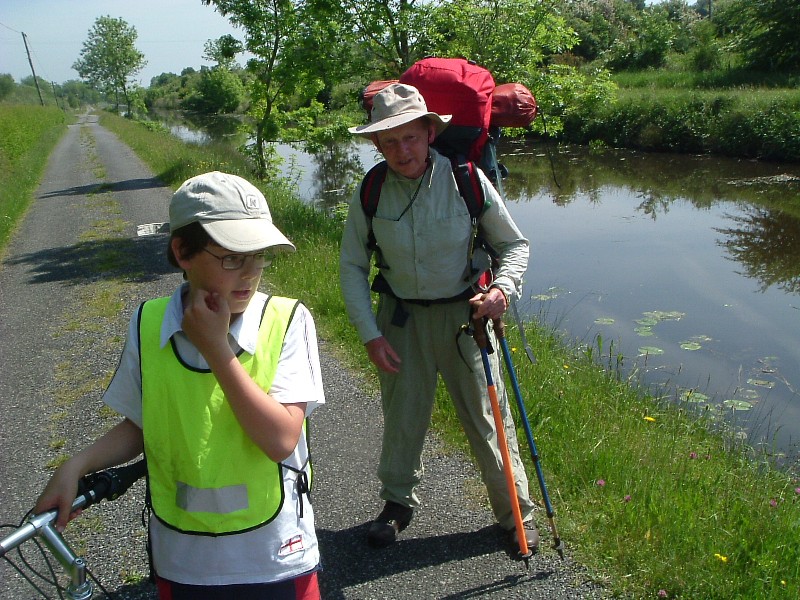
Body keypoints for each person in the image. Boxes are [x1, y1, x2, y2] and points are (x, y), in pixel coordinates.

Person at [35, 171, 325, 599]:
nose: (250, 272)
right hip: (183, 559)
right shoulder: (148, 322)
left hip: (275, 555)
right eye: (231, 257)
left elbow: (281, 438)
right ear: (182, 252)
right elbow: (141, 424)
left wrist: (215, 349)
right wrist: (75, 465)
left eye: (258, 254)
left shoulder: (285, 321)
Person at [339, 83, 539, 552]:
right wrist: (369, 334)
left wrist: (502, 292)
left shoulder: (466, 179)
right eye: (390, 141)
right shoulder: (370, 191)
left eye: (410, 137)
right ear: (377, 145)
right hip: (400, 319)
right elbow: (351, 265)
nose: (401, 150)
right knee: (402, 417)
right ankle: (396, 504)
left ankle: (515, 514)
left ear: (429, 133)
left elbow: (514, 245)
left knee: (488, 419)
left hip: (464, 321)